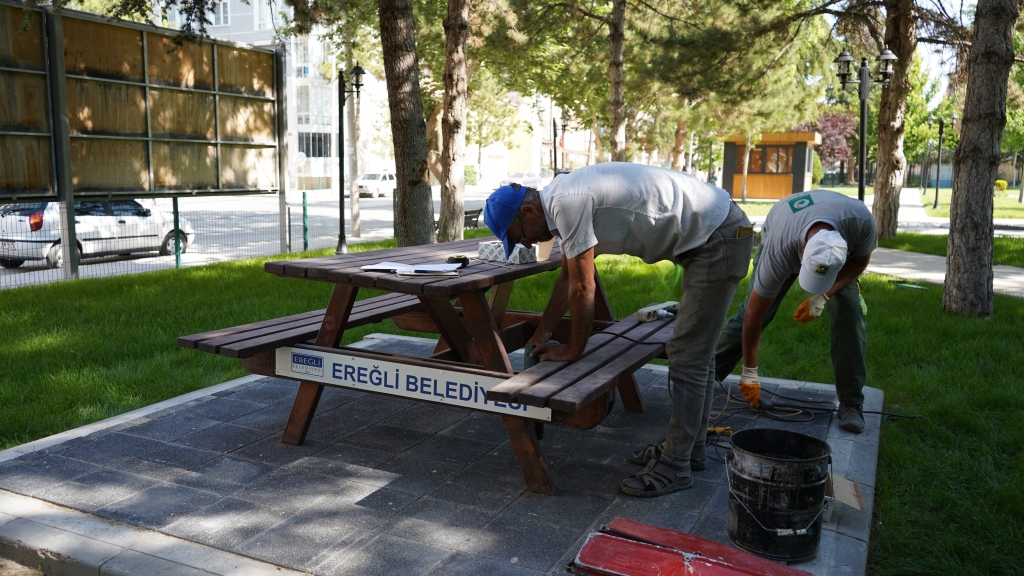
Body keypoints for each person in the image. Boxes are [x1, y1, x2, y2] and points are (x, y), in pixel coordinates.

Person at [483, 162, 755, 497]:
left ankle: (675, 465)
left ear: (528, 210)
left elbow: (584, 288)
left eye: (521, 236)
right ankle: (690, 450)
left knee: (687, 355)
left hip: (718, 237)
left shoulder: (568, 202)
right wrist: (543, 331)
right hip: (713, 233)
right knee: (696, 353)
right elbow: (568, 276)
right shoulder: (560, 197)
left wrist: (573, 350)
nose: (528, 243)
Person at [712, 189, 877, 433]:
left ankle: (851, 403)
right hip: (782, 223)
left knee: (850, 314)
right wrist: (749, 373)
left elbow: (860, 263)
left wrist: (823, 296)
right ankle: (704, 377)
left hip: (831, 222)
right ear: (803, 249)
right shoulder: (779, 252)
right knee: (755, 311)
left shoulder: (861, 223)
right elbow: (753, 316)